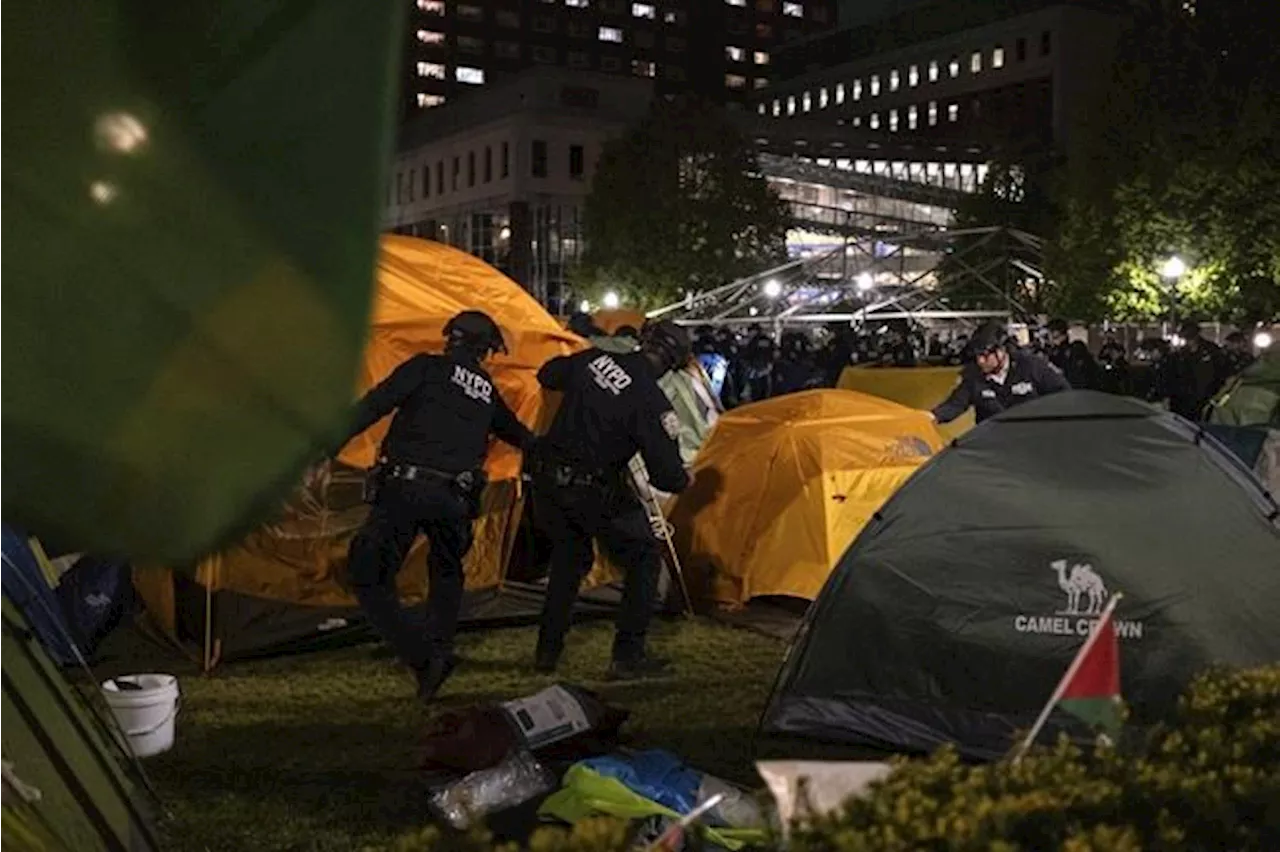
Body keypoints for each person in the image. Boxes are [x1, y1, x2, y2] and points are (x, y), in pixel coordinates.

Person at [338, 310, 534, 702]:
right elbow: (520, 436)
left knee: (369, 575)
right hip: (456, 498)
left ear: (451, 339)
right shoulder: (487, 391)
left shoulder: (425, 368)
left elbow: (374, 405)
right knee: (446, 574)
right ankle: (439, 649)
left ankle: (423, 656)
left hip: (406, 489)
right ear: (484, 351)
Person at [528, 319, 691, 680]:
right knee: (645, 557)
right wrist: (685, 477)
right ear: (673, 364)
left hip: (547, 481)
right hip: (592, 489)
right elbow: (667, 475)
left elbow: (548, 374)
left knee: (570, 559)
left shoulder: (593, 359)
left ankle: (547, 651)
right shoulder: (652, 401)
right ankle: (627, 656)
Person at [931, 322, 1071, 425]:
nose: (980, 361)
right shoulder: (973, 375)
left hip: (1031, 439)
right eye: (977, 356)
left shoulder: (1031, 366)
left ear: (1001, 351)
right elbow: (955, 404)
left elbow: (1063, 395)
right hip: (992, 445)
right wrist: (930, 417)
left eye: (985, 355)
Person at [1166, 321, 1232, 421]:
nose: (1189, 341)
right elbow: (1174, 375)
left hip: (1205, 397)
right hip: (1184, 399)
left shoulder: (1211, 351)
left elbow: (1221, 372)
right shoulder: (1180, 354)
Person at [1046, 318, 1099, 390]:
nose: (1048, 337)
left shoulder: (1074, 350)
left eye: (1049, 333)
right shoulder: (1054, 352)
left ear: (1055, 333)